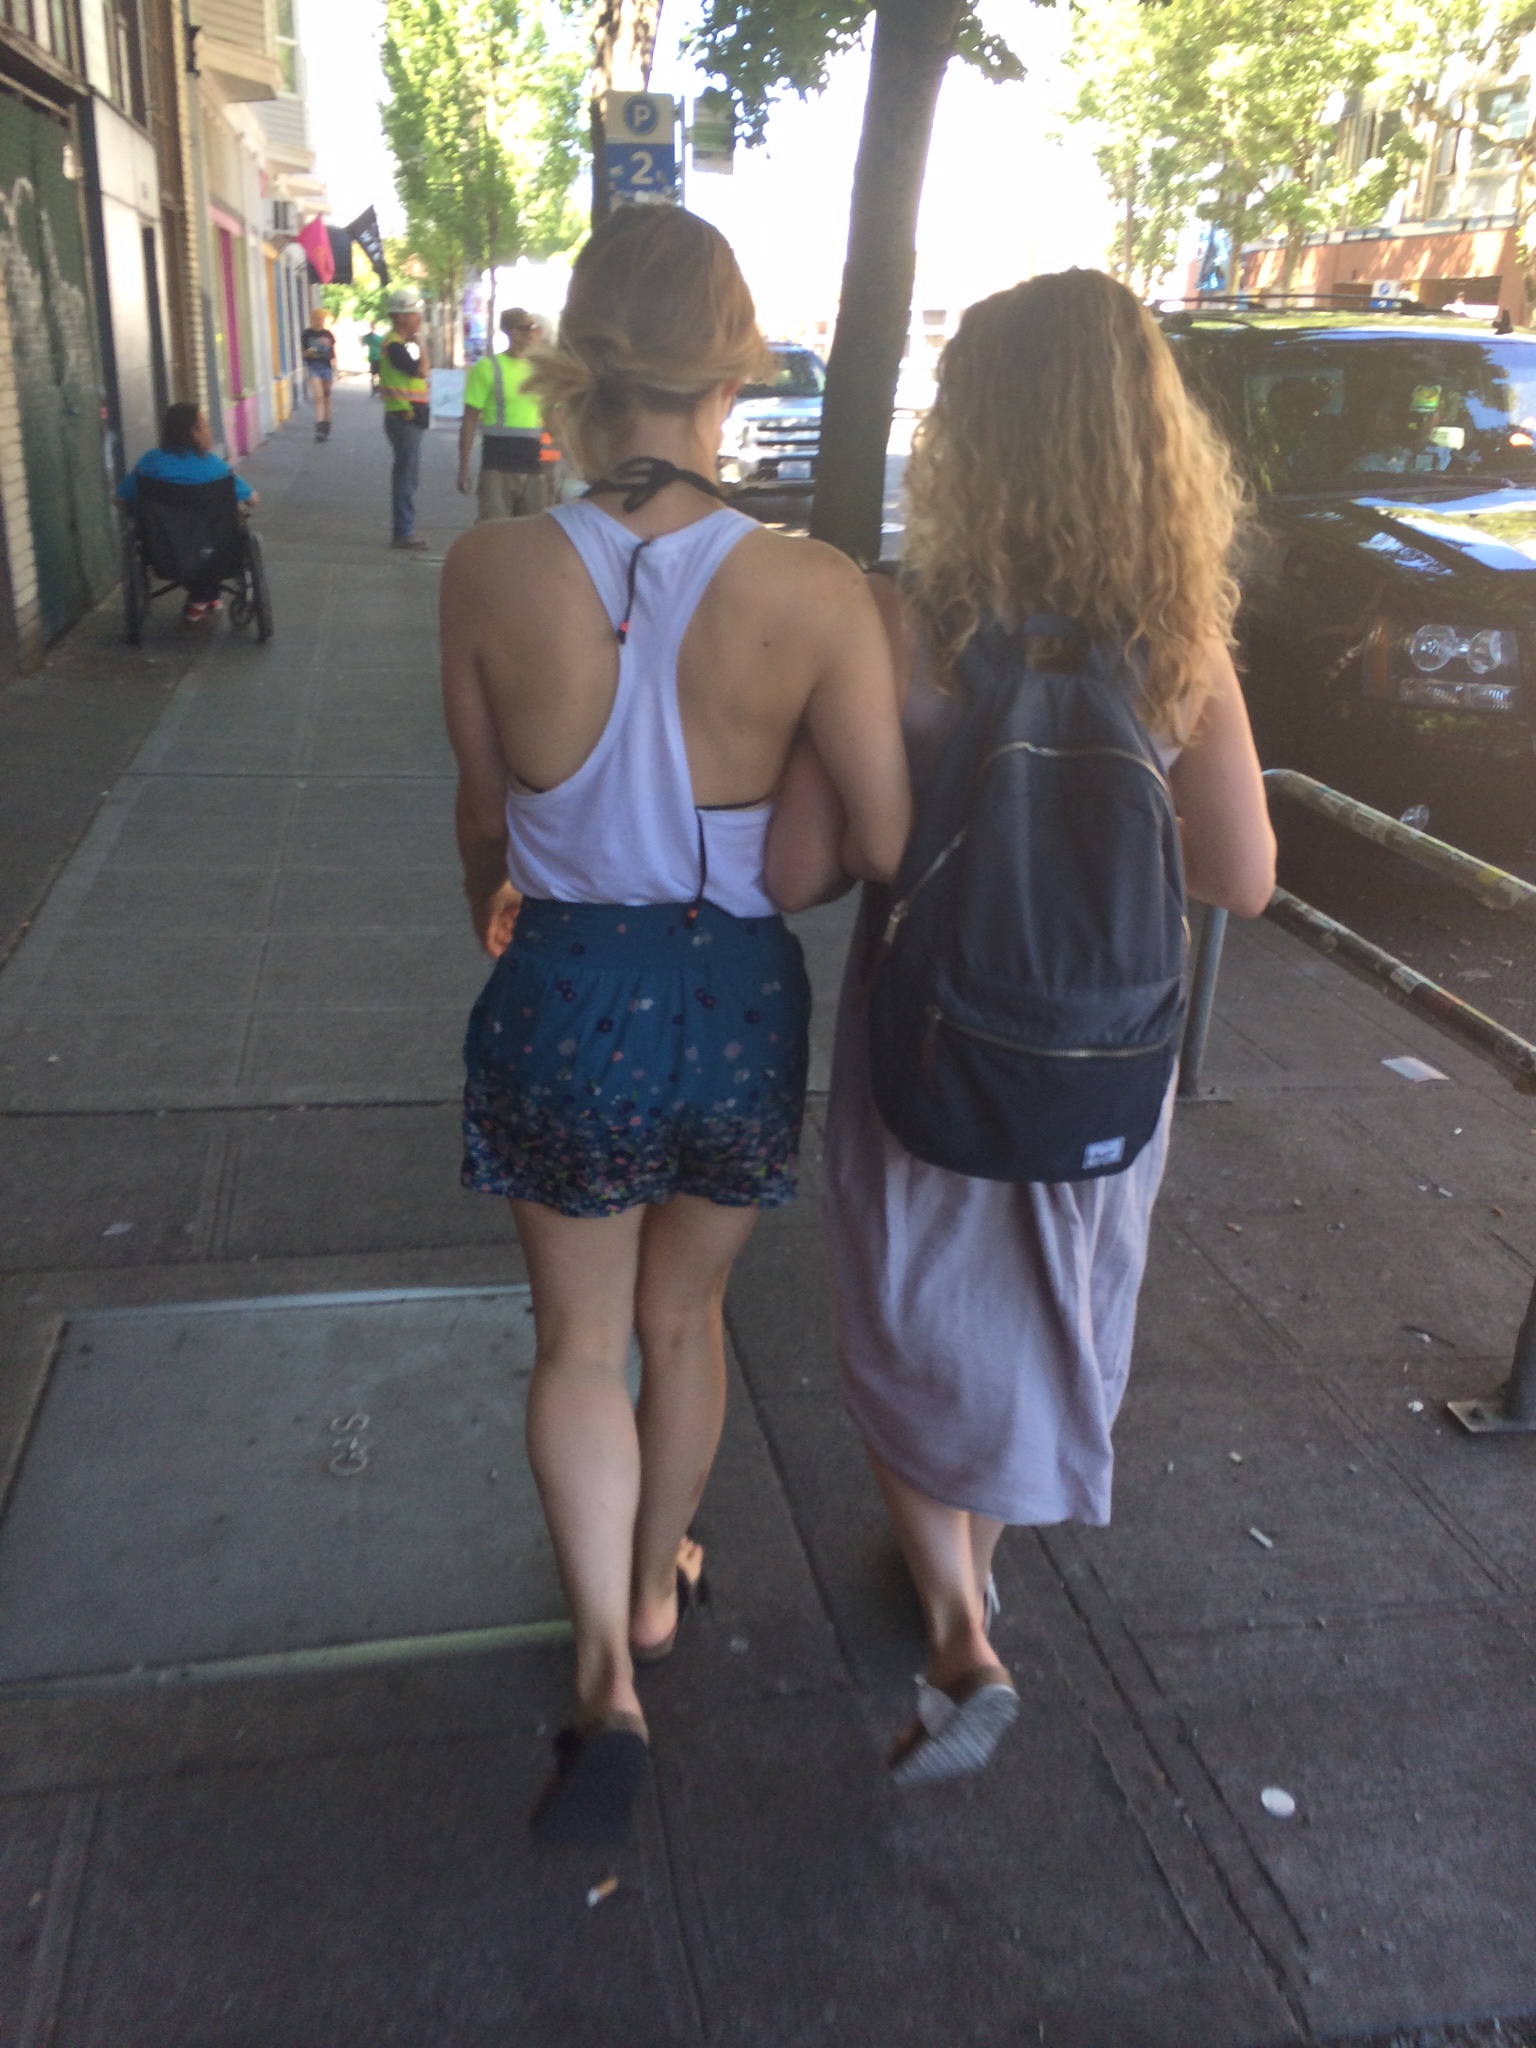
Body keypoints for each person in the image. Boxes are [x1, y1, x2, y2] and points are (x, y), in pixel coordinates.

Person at [766, 267, 1276, 1786]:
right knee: (1040, 1309)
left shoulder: (897, 622)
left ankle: (958, 1628)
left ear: (966, 435)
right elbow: (1243, 876)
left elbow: (802, 866)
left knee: (912, 1316)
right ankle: (972, 1570)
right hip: (1104, 1056)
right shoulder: (1180, 644)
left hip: (925, 1036)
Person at [439, 205, 911, 1844]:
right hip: (733, 995)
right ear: (733, 369)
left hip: (565, 982)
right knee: (685, 1322)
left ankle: (601, 1677)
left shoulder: (493, 568)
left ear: (580, 363)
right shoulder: (816, 588)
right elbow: (881, 835)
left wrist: (501, 907)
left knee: (578, 1343)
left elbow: (482, 816)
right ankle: (654, 1591)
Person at [116, 401, 257, 623]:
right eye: (205, 425)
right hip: (214, 550)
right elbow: (253, 498)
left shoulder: (150, 463)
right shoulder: (215, 467)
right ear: (193, 432)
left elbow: (120, 498)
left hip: (163, 551)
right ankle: (204, 595)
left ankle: (203, 596)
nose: (210, 430)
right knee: (216, 536)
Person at [458, 307, 551, 522]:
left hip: (533, 467)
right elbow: (469, 419)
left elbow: (556, 419)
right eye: (529, 328)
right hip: (497, 469)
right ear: (514, 333)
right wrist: (464, 467)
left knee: (530, 535)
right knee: (494, 530)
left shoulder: (539, 371)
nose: (533, 333)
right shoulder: (487, 367)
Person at [379, 287, 431, 550]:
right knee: (406, 477)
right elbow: (422, 371)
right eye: (414, 313)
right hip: (404, 418)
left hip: (406, 418)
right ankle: (403, 531)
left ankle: (405, 529)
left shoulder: (394, 346)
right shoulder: (395, 347)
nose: (418, 318)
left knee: (407, 475)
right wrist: (422, 346)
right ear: (400, 317)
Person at [301, 305, 336, 442]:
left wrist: (335, 367)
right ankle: (319, 428)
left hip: (326, 367)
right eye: (316, 318)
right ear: (312, 319)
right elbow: (303, 352)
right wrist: (309, 352)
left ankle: (327, 424)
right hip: (313, 367)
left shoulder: (328, 334)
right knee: (318, 396)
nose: (318, 321)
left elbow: (332, 353)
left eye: (321, 318)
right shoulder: (307, 334)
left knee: (327, 397)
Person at [364, 323, 383, 394]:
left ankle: (376, 387)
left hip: (377, 357)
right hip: (375, 357)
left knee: (376, 373)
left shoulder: (373, 337)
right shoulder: (373, 337)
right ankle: (376, 387)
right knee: (376, 373)